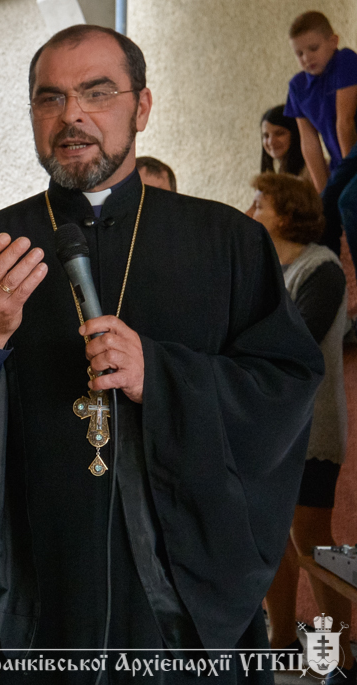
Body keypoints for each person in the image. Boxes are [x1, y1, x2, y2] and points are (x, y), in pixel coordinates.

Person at [0, 25, 323, 685]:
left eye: (97, 92)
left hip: (174, 600)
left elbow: (284, 386)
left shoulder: (226, 243)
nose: (72, 114)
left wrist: (160, 375)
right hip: (31, 593)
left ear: (142, 107)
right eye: (50, 97)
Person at [247, 173, 352, 680]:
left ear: (287, 213)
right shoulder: (270, 269)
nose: (251, 210)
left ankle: (341, 658)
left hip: (312, 431)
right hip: (271, 430)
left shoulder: (322, 268)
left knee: (313, 545)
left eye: (260, 203)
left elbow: (296, 342)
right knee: (272, 540)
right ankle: (283, 638)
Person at [283, 11, 357, 264]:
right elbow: (310, 143)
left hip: (352, 157)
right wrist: (323, 191)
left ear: (333, 41)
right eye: (299, 53)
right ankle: (331, 272)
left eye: (313, 49)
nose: (306, 58)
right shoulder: (297, 86)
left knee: (348, 201)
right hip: (340, 166)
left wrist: (346, 176)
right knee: (322, 215)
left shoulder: (345, 61)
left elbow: (345, 122)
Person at [259, 105, 308, 179]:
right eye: (266, 136)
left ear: (295, 134)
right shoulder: (282, 171)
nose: (271, 142)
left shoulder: (312, 171)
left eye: (279, 133)